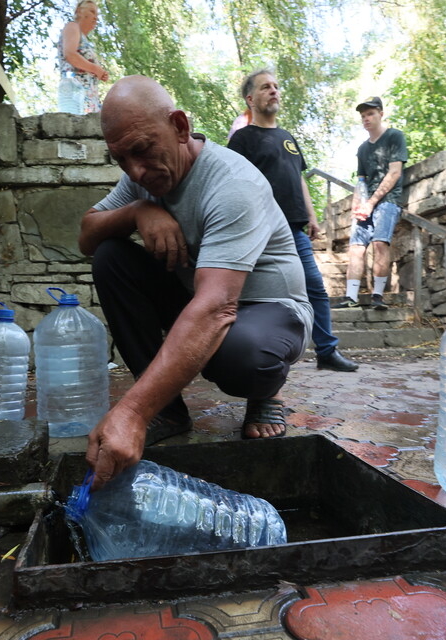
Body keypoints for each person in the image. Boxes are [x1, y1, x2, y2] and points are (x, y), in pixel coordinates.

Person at [78, 76, 313, 490]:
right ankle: (168, 410)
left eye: (142, 151)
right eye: (121, 160)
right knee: (111, 257)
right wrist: (136, 212)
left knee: (241, 357)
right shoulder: (141, 174)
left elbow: (216, 307)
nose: (135, 170)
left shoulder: (232, 185)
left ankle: (268, 391)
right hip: (200, 296)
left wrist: (131, 413)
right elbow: (87, 236)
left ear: (180, 127)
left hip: (269, 310)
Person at [228, 69, 359, 372]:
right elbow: (235, 182)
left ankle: (326, 352)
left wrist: (312, 217)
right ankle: (243, 348)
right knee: (251, 291)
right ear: (250, 98)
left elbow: (298, 179)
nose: (273, 91)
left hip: (294, 229)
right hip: (258, 229)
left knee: (315, 287)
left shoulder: (288, 138)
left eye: (275, 86)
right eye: (265, 87)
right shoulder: (243, 139)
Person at [334, 96, 407, 311]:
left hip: (387, 201)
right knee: (356, 249)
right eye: (363, 115)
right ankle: (351, 297)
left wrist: (372, 202)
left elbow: (395, 173)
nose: (366, 118)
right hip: (366, 204)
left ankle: (377, 296)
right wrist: (357, 205)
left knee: (379, 244)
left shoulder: (394, 136)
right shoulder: (363, 149)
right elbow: (361, 180)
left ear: (381, 114)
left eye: (371, 114)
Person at [57, 0, 108, 114]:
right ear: (79, 11)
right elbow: (70, 54)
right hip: (74, 91)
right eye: (92, 11)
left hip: (88, 97)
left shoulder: (85, 41)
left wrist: (100, 73)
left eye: (97, 14)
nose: (96, 17)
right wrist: (96, 69)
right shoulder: (72, 26)